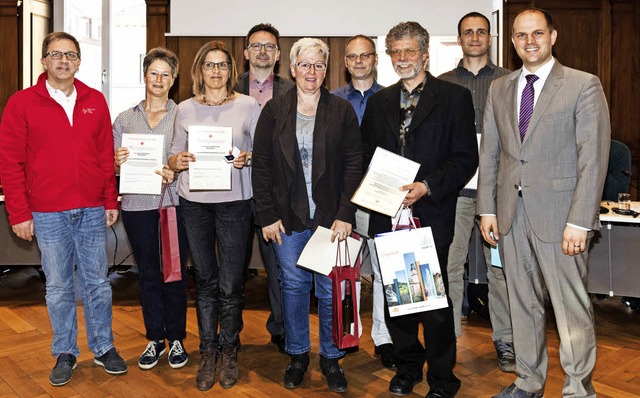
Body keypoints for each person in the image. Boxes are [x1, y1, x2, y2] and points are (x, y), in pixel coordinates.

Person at [477, 8, 610, 398]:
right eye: (520, 35)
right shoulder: (500, 89)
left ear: (553, 36)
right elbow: (491, 155)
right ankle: (529, 381)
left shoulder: (583, 85)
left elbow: (594, 156)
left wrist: (581, 220)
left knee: (571, 310)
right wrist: (487, 208)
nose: (529, 41)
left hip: (562, 218)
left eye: (537, 33)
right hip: (510, 217)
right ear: (513, 41)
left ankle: (578, 388)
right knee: (521, 305)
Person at [0, 31, 127, 386]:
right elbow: (10, 163)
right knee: (57, 286)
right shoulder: (22, 103)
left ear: (79, 61)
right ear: (44, 61)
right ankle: (65, 351)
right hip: (46, 211)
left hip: (90, 209)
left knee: (98, 283)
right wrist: (19, 213)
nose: (63, 61)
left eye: (71, 55)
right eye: (56, 55)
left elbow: (104, 155)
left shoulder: (94, 100)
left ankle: (103, 347)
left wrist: (109, 198)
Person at [361, 21, 477, 398]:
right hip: (388, 215)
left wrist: (427, 186)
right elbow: (366, 158)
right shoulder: (378, 102)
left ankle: (443, 378)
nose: (403, 58)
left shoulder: (455, 98)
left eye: (410, 51)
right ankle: (407, 366)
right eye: (396, 51)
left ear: (425, 54)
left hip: (432, 213)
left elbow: (465, 159)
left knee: (435, 304)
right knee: (399, 301)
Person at [252, 38, 362, 393]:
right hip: (287, 218)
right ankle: (298, 354)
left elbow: (352, 166)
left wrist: (346, 213)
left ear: (326, 70)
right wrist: (266, 215)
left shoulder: (342, 111)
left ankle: (331, 356)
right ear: (293, 68)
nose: (311, 72)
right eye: (304, 64)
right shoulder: (273, 110)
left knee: (329, 291)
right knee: (294, 287)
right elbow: (263, 167)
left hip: (330, 220)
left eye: (318, 65)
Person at [168, 41, 261, 391]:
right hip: (195, 202)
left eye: (223, 65)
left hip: (236, 202)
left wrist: (246, 158)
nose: (217, 71)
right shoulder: (185, 109)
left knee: (231, 283)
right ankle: (208, 351)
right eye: (210, 65)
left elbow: (260, 152)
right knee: (205, 281)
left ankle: (229, 349)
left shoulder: (249, 106)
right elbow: (175, 156)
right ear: (200, 70)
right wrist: (178, 162)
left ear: (231, 71)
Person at [438, 11, 514, 372]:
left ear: (490, 38)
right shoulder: (441, 83)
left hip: (498, 194)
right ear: (459, 38)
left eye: (481, 31)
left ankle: (506, 341)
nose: (474, 37)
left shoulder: (509, 80)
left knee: (500, 269)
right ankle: (447, 340)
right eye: (467, 31)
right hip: (455, 194)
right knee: (450, 267)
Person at [113, 47, 189, 371]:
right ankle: (155, 338)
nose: (159, 80)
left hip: (173, 205)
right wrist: (117, 163)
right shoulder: (125, 118)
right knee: (147, 275)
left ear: (174, 79)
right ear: (144, 76)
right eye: (153, 73)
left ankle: (177, 340)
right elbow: (116, 171)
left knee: (174, 274)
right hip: (136, 207)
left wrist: (177, 168)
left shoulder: (183, 116)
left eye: (165, 74)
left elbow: (190, 158)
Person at [331, 34, 395, 370]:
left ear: (375, 59)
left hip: (379, 197)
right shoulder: (331, 100)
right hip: (343, 198)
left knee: (384, 272)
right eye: (352, 56)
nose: (358, 61)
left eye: (365, 55)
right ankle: (347, 334)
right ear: (345, 62)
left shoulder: (390, 98)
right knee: (346, 272)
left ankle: (384, 339)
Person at [237, 23, 294, 353]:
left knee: (279, 267)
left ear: (278, 55)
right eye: (256, 46)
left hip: (275, 194)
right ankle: (231, 329)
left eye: (269, 46)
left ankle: (282, 327)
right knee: (232, 267)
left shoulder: (292, 90)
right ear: (246, 53)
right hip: (232, 189)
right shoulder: (226, 86)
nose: (262, 51)